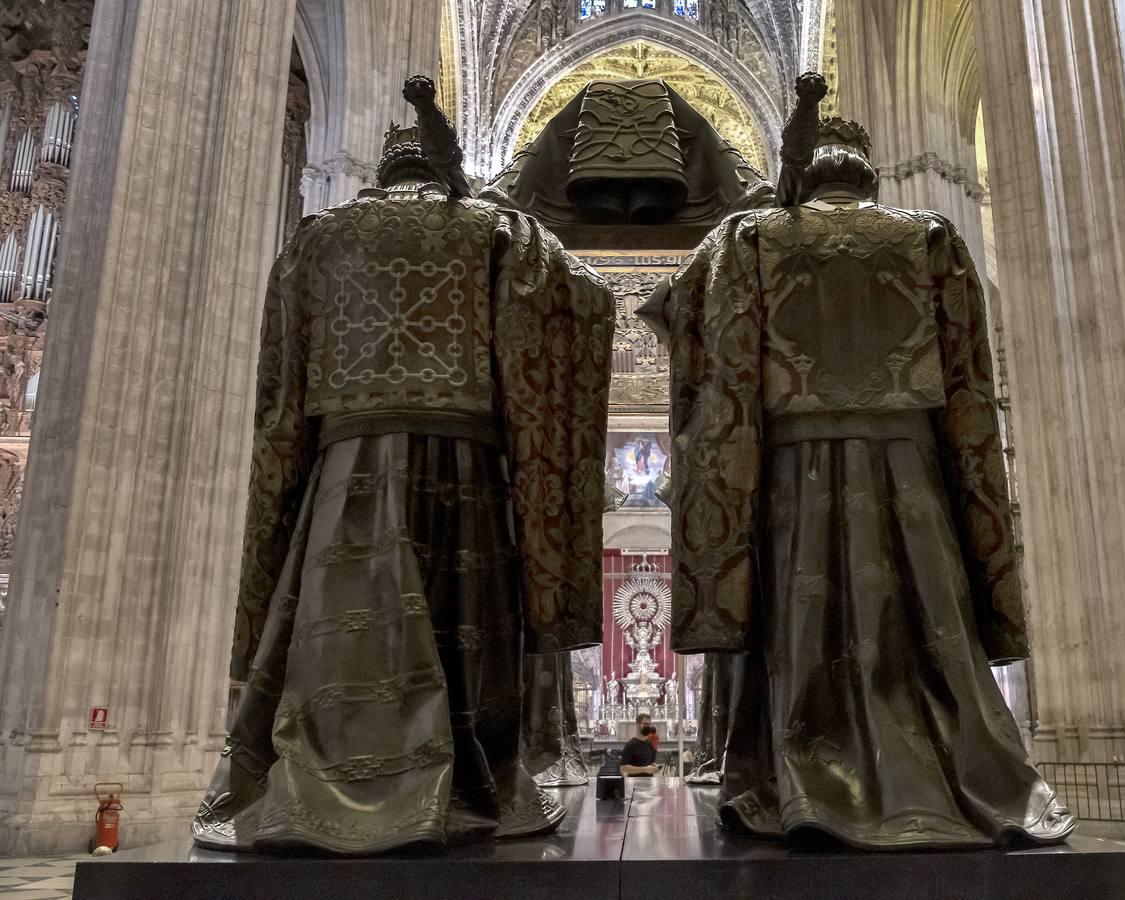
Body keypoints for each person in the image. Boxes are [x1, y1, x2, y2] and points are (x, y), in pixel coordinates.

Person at [637, 75, 1074, 850]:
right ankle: (955, 775)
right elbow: (971, 389)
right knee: (925, 616)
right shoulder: (931, 234)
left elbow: (687, 316)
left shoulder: (752, 240)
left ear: (810, 172)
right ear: (867, 173)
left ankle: (804, 778)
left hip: (792, 475)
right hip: (910, 471)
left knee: (803, 618)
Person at [190, 76, 614, 855]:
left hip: (344, 472)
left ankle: (316, 794)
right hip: (465, 474)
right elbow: (565, 314)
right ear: (443, 170)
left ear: (382, 173)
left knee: (338, 629)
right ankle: (460, 790)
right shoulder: (498, 233)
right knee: (465, 635)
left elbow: (279, 397)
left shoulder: (317, 238)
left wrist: (284, 494)